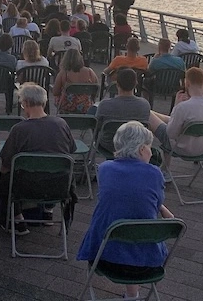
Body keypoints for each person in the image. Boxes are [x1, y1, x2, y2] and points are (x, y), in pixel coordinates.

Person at [77, 122, 174, 300]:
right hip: (146, 264)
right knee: (137, 232)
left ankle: (131, 294)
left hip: (103, 258)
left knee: (121, 223)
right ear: (142, 149)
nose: (151, 152)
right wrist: (161, 207)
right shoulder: (155, 173)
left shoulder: (105, 169)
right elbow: (150, 201)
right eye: (149, 147)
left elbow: (121, 197)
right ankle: (132, 295)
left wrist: (160, 207)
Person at [0, 84, 76, 234]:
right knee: (56, 166)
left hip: (25, 187)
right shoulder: (61, 124)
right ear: (44, 102)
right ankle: (48, 210)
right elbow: (71, 150)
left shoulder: (19, 129)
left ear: (26, 103)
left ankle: (17, 219)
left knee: (0, 176)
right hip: (58, 186)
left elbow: (5, 166)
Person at [148, 67, 203, 181]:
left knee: (148, 115)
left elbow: (171, 133)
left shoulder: (182, 107)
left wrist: (176, 106)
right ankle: (153, 113)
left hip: (180, 148)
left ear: (187, 83)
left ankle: (165, 170)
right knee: (160, 116)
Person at [94, 68, 151, 152]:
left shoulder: (105, 104)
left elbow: (97, 126)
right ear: (135, 84)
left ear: (117, 84)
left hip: (109, 145)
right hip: (135, 145)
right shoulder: (145, 105)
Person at [52, 48, 99, 114]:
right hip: (86, 106)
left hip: (67, 106)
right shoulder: (90, 72)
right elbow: (96, 90)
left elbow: (55, 92)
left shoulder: (63, 73)